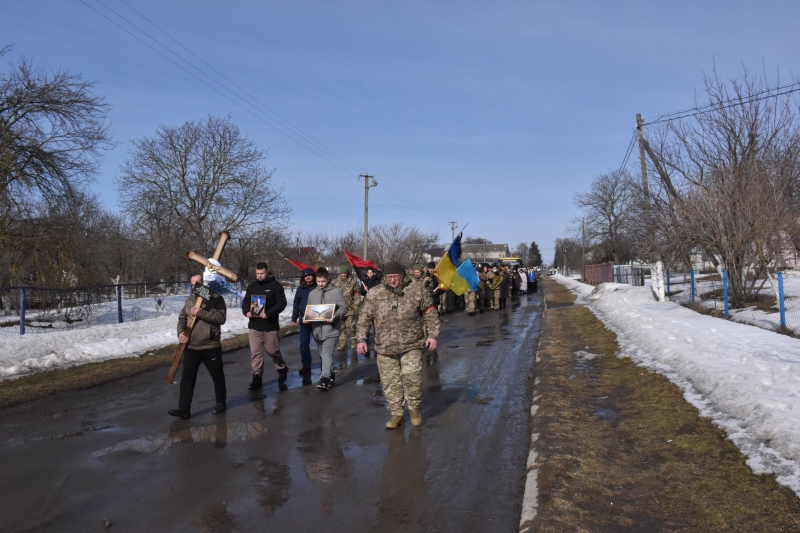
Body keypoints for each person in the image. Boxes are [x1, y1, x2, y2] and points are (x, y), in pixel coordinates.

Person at [356, 261, 440, 429]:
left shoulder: (417, 290)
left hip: (411, 344)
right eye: (389, 277)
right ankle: (397, 413)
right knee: (390, 382)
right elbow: (365, 318)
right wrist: (361, 339)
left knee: (412, 378)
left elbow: (430, 314)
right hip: (385, 346)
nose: (392, 280)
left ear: (403, 275)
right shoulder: (375, 293)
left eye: (395, 277)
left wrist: (433, 335)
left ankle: (414, 408)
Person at [169, 274, 227, 419]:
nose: (194, 287)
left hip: (210, 345)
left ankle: (221, 402)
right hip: (191, 347)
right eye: (192, 284)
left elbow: (221, 319)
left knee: (217, 376)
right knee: (187, 378)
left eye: (197, 284)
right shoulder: (190, 300)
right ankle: (184, 408)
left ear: (205, 284)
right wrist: (180, 333)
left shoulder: (216, 299)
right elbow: (182, 318)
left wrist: (202, 313)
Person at [241, 262, 288, 391]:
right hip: (254, 326)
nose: (259, 276)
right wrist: (246, 311)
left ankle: (282, 367)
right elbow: (245, 302)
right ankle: (257, 378)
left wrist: (268, 313)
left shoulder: (275, 286)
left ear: (267, 272)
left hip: (270, 325)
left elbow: (281, 303)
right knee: (255, 352)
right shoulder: (252, 286)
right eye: (257, 273)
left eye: (261, 273)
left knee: (272, 351)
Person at [306, 268, 348, 391]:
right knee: (321, 354)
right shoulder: (312, 293)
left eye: (323, 281)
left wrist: (335, 316)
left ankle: (324, 379)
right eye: (318, 281)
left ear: (328, 279)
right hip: (317, 330)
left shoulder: (336, 292)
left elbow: (344, 308)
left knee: (326, 353)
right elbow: (309, 309)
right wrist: (306, 318)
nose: (320, 284)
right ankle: (330, 373)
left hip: (332, 328)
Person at [291, 267, 317, 377]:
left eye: (309, 275)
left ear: (313, 276)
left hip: (317, 320)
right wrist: (294, 318)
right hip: (304, 322)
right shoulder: (300, 289)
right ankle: (306, 366)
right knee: (303, 344)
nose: (307, 277)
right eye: (305, 276)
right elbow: (296, 304)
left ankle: (326, 365)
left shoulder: (318, 287)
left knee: (321, 343)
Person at [332, 265, 359, 352]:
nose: (343, 275)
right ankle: (342, 343)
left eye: (345, 273)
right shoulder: (335, 283)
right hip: (339, 309)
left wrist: (356, 305)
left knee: (351, 327)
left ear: (347, 273)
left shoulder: (353, 282)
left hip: (349, 308)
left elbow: (357, 294)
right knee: (341, 327)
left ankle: (354, 341)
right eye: (342, 273)